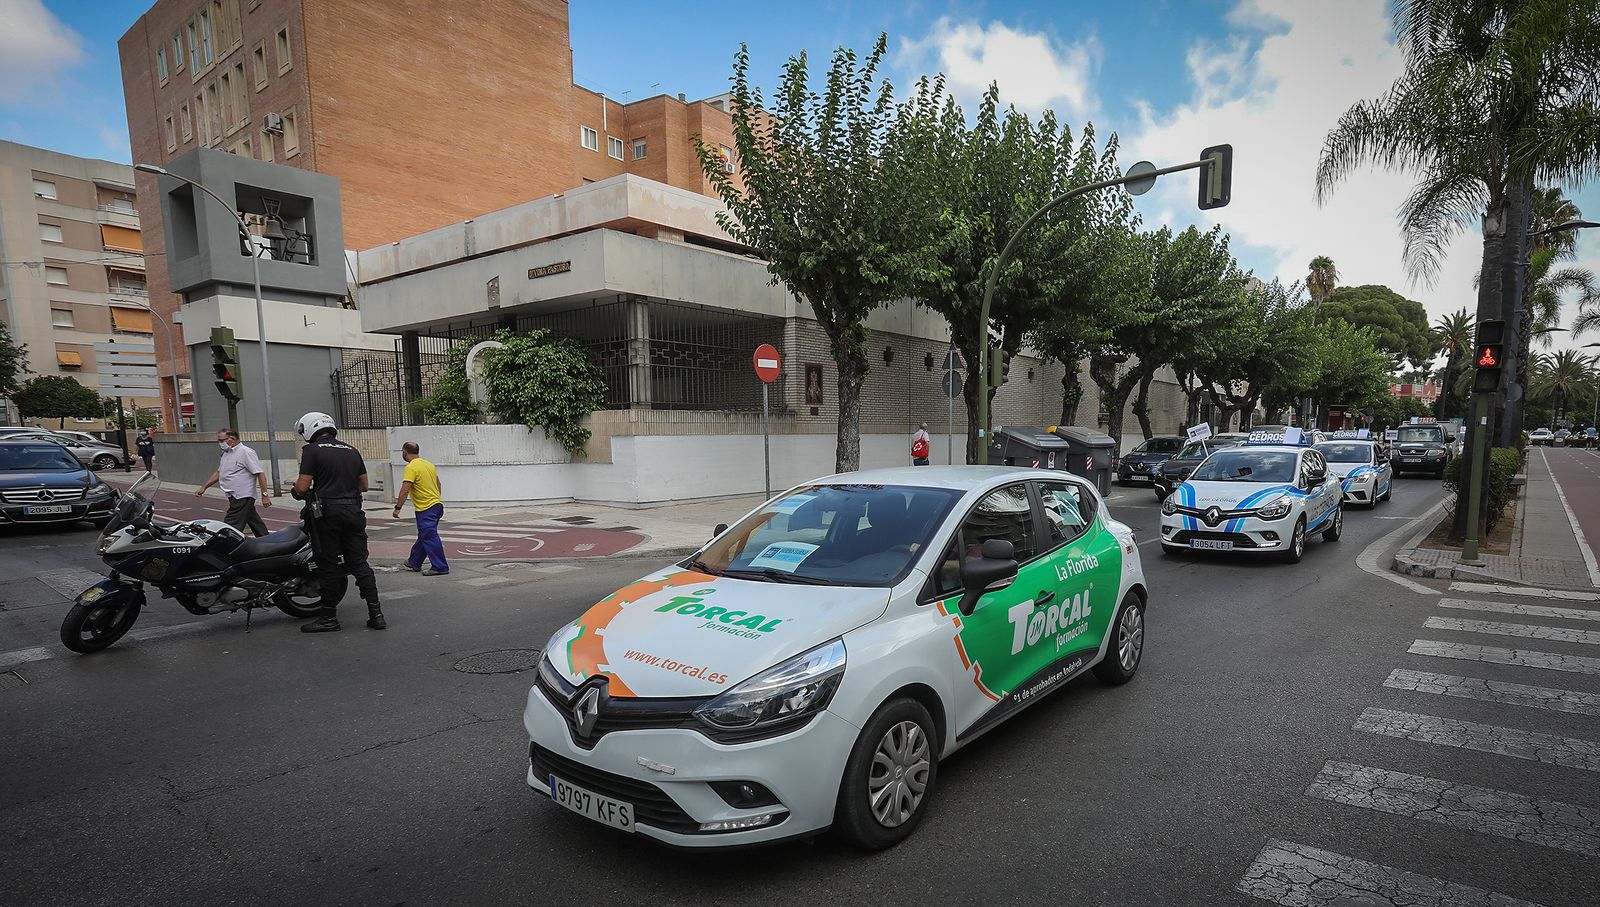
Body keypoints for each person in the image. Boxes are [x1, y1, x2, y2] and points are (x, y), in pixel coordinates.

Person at [293, 412, 384, 633]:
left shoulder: (312, 451)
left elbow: (302, 487)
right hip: (353, 511)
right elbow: (363, 485)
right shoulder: (352, 451)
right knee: (359, 563)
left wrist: (297, 491)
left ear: (309, 429)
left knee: (329, 565)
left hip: (328, 515)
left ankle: (328, 618)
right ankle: (376, 615)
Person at [196, 429, 271, 536]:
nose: (220, 443)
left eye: (222, 440)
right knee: (254, 520)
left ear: (232, 439)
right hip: (233, 496)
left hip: (243, 495)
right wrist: (204, 487)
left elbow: (260, 473)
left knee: (231, 525)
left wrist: (265, 495)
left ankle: (224, 546)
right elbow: (219, 473)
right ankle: (266, 541)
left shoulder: (246, 452)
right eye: (219, 440)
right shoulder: (227, 453)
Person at [394, 441, 448, 576]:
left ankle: (440, 567)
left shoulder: (411, 467)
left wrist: (398, 507)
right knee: (425, 535)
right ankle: (414, 561)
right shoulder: (428, 464)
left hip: (426, 508)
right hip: (437, 505)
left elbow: (405, 489)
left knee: (430, 536)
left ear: (404, 453)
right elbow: (438, 484)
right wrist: (436, 499)